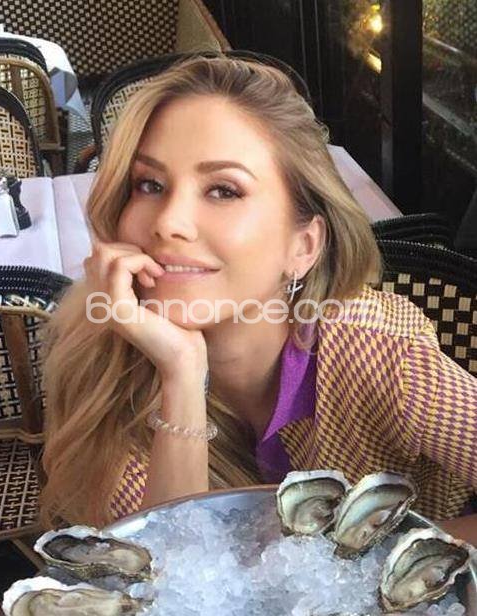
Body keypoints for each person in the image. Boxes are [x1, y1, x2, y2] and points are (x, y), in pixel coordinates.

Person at [39, 54, 477, 543]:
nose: (168, 222)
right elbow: (172, 571)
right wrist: (182, 373)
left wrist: (391, 563)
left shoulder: (379, 350)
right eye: (150, 185)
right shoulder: (102, 375)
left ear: (303, 246)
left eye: (223, 190)